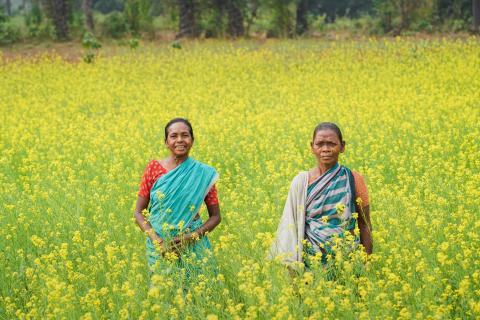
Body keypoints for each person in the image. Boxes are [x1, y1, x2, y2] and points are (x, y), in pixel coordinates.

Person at [269, 122, 372, 270]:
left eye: (331, 144)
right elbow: (290, 228)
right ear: (312, 147)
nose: (325, 149)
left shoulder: (354, 179)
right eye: (320, 144)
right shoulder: (301, 182)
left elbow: (364, 225)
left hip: (348, 263)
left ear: (342, 146)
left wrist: (365, 264)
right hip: (310, 267)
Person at [134, 118, 221, 276]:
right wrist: (158, 241)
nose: (180, 140)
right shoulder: (153, 168)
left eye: (185, 135)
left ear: (192, 140)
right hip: (159, 243)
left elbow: (215, 216)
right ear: (166, 142)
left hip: (194, 243)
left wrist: (190, 237)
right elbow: (138, 213)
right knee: (163, 293)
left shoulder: (203, 173)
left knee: (197, 293)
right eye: (174, 136)